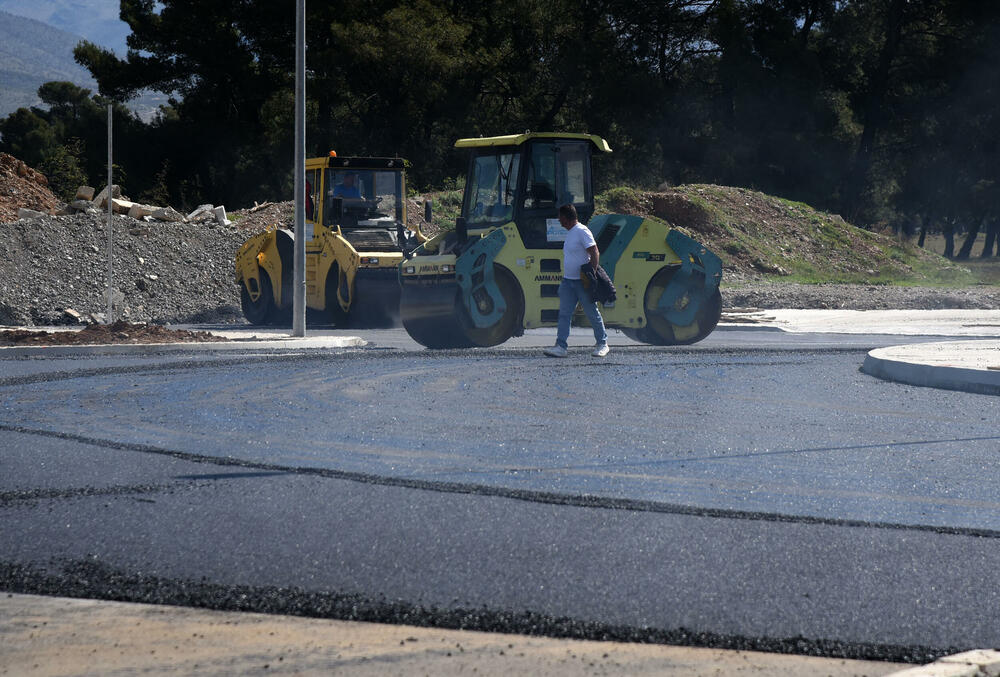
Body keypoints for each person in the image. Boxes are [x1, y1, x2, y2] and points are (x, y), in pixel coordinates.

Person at [544, 204, 609, 358]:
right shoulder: (571, 232)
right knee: (564, 314)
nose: (559, 220)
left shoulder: (581, 230)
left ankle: (602, 344)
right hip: (568, 282)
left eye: (560, 217)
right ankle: (561, 346)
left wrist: (591, 275)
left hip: (581, 282)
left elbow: (594, 251)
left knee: (592, 313)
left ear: (566, 218)